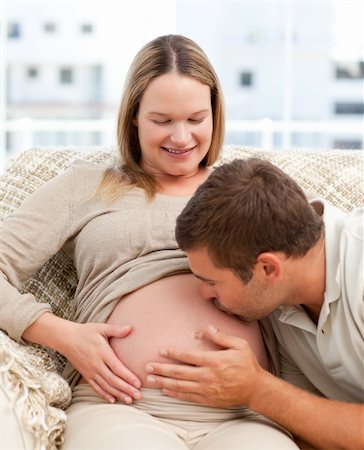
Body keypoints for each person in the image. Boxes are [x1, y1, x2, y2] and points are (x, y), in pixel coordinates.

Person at [0, 36, 299, 449]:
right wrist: (60, 333)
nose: (181, 137)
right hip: (121, 406)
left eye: (196, 119)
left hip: (241, 416)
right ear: (134, 117)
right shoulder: (87, 184)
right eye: (162, 120)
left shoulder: (245, 189)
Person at [145, 157, 364, 450]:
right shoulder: (280, 290)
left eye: (212, 281)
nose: (205, 295)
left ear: (268, 269)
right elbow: (311, 423)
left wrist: (258, 390)